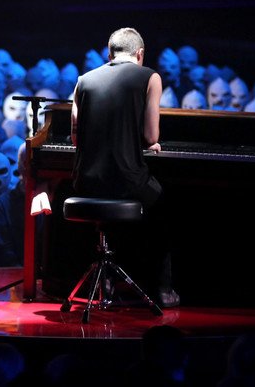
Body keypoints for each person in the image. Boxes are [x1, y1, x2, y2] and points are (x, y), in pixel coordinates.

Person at [69, 27, 176, 306]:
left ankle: (105, 282)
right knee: (164, 205)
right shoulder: (150, 77)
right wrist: (147, 142)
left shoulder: (83, 81)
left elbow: (76, 137)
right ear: (140, 54)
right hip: (126, 181)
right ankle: (163, 289)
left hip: (86, 182)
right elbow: (151, 136)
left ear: (109, 54)